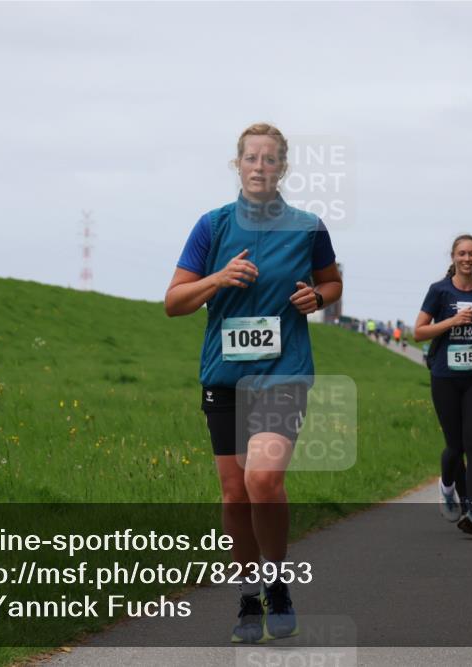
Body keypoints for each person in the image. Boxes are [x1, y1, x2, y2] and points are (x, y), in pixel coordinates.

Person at [165, 123, 342, 643]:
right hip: (225, 377)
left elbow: (331, 280)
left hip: (283, 374)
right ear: (237, 165)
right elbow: (174, 302)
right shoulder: (212, 226)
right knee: (234, 494)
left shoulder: (308, 226)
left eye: (270, 160)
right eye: (251, 159)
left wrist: (319, 296)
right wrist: (217, 278)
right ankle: (247, 596)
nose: (260, 167)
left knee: (262, 481)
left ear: (282, 168)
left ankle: (277, 581)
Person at [414, 234, 472, 536]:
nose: (467, 259)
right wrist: (452, 322)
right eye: (462, 254)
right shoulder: (438, 291)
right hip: (445, 376)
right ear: (453, 257)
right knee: (455, 447)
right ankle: (447, 485)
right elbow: (419, 332)